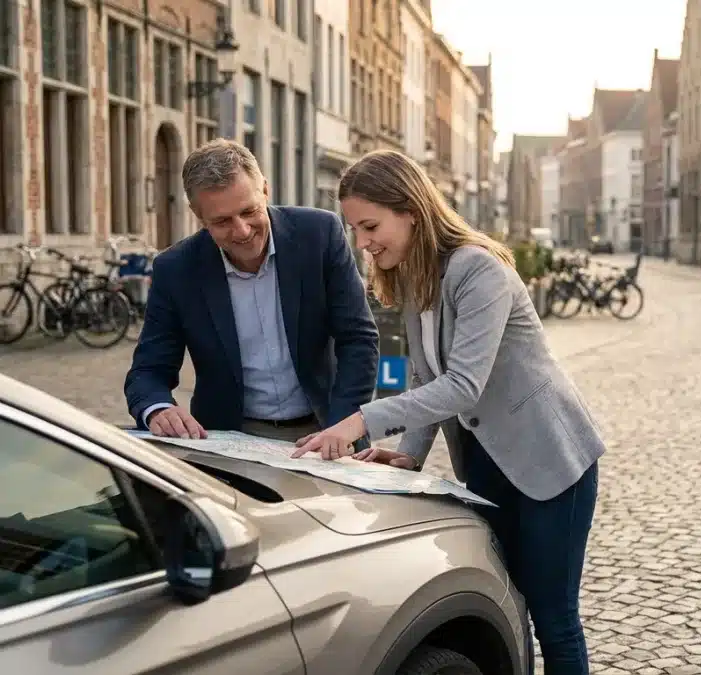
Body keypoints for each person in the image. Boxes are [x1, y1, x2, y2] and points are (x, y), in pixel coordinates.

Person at [290, 149, 605, 675]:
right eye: (356, 230)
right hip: (485, 465)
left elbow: (462, 385)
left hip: (550, 461)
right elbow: (424, 377)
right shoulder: (417, 277)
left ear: (410, 209)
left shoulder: (478, 269)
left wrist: (362, 420)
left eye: (371, 226)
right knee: (513, 602)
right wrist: (408, 454)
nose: (363, 242)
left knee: (554, 617)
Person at [124, 139, 379, 443]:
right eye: (221, 221)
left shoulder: (319, 234)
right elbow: (148, 370)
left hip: (327, 425)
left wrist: (343, 427)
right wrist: (158, 409)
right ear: (197, 214)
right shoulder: (176, 269)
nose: (242, 231)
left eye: (249, 211)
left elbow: (358, 340)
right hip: (231, 439)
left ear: (265, 190)